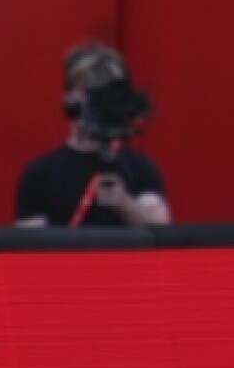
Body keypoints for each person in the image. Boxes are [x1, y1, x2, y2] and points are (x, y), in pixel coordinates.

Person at [14, 42, 171, 229]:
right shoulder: (40, 174)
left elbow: (161, 229)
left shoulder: (138, 168)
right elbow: (30, 244)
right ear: (69, 97)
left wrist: (124, 204)